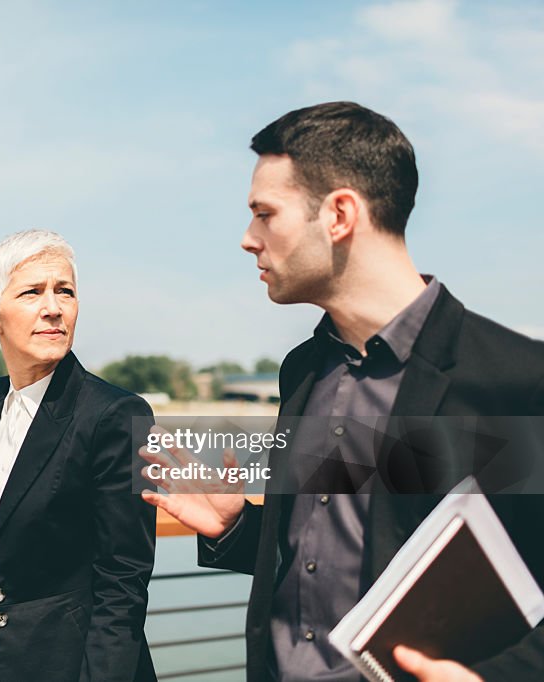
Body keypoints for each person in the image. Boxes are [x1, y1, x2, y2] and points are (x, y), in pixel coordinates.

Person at [141, 102, 544, 681]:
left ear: (339, 215)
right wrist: (236, 529)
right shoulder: (302, 370)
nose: (248, 239)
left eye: (264, 214)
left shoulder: (514, 380)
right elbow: (336, 553)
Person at [0, 230, 157, 681]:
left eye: (65, 291)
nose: (54, 307)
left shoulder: (120, 415)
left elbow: (124, 582)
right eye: (31, 292)